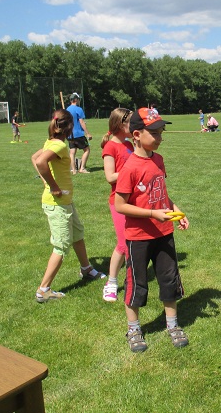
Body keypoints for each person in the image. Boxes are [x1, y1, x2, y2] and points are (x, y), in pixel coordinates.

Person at [114, 107, 190, 353]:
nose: (160, 138)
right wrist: (151, 214)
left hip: (164, 232)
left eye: (161, 132)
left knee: (169, 279)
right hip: (139, 237)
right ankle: (134, 329)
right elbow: (120, 205)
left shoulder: (158, 160)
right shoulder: (130, 167)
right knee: (137, 283)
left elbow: (161, 194)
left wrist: (177, 211)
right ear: (136, 135)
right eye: (155, 133)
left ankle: (173, 325)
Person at [31, 109, 106, 303]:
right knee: (61, 246)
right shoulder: (59, 146)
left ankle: (86, 269)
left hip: (65, 203)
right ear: (70, 127)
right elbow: (40, 161)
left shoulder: (52, 142)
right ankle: (43, 290)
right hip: (57, 205)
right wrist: (53, 186)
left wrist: (46, 183)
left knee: (78, 234)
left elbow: (34, 158)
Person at [100, 108, 134, 302]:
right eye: (131, 123)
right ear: (121, 125)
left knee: (134, 241)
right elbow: (110, 176)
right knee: (123, 244)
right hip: (118, 200)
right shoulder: (110, 147)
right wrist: (131, 171)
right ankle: (111, 283)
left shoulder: (129, 144)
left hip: (134, 200)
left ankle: (133, 278)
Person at [66, 92, 93, 174]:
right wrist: (88, 133)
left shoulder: (67, 109)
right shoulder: (78, 109)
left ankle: (74, 170)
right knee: (87, 150)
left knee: (72, 152)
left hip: (70, 134)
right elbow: (81, 122)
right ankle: (82, 168)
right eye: (78, 99)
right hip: (78, 134)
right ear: (76, 100)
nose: (79, 100)